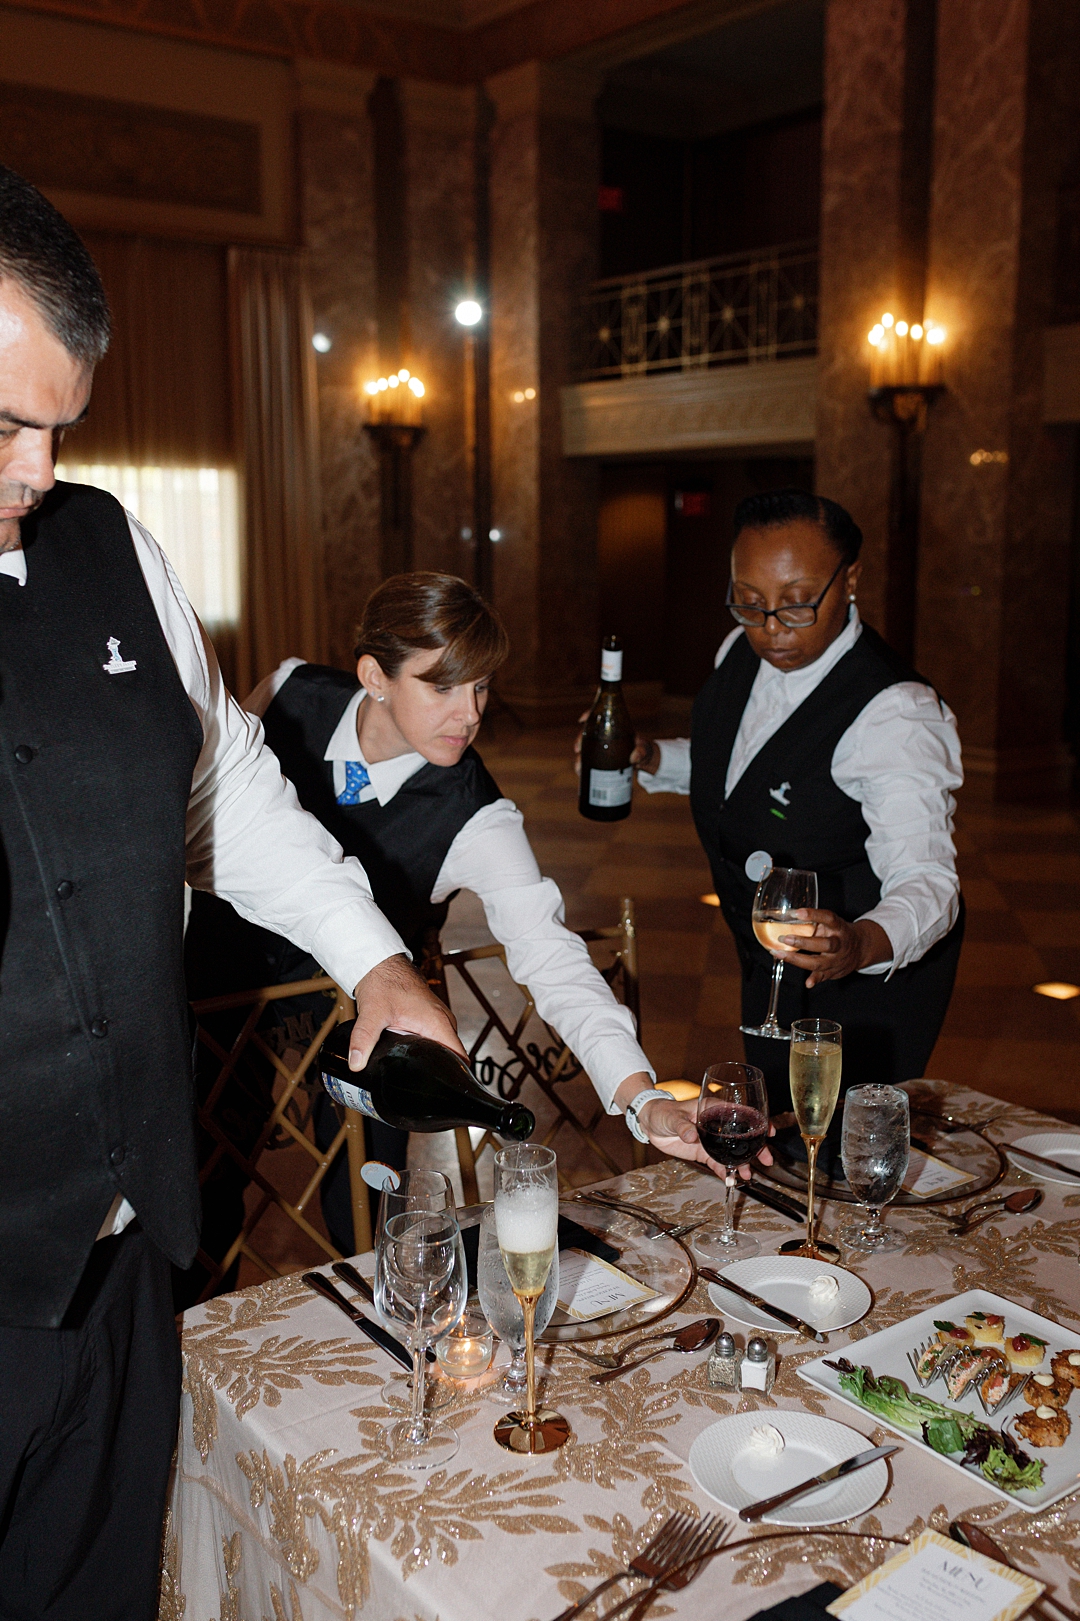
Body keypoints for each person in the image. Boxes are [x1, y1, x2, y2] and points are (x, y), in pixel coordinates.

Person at [0, 166, 464, 1620]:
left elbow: (231, 797)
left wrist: (376, 962)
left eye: (56, 432)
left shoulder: (113, 546)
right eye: (1, 424)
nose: (32, 477)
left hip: (128, 1245)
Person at [186, 572, 758, 1259]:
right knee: (201, 1188)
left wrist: (642, 1097)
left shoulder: (477, 813)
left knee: (371, 1210)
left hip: (365, 1023)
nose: (470, 713)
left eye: (482, 685)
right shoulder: (289, 691)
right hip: (221, 988)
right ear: (374, 674)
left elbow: (549, 954)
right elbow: (204, 801)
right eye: (443, 686)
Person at [633, 489, 964, 1118]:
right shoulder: (738, 651)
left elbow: (929, 882)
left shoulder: (895, 713)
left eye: (796, 603)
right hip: (770, 968)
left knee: (841, 1151)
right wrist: (653, 758)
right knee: (774, 1127)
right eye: (750, 603)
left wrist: (862, 941)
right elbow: (738, 769)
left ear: (851, 580)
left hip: (865, 993)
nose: (770, 628)